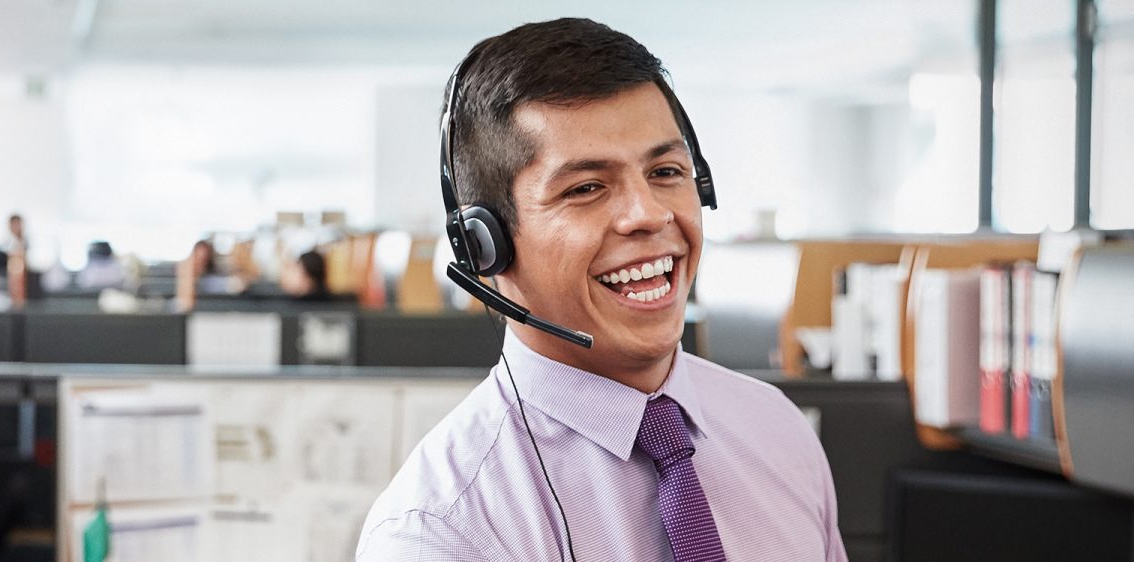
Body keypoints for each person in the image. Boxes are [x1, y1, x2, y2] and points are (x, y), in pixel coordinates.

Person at [357, 19, 845, 561]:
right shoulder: (444, 530)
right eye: (586, 188)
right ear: (486, 246)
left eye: (665, 171)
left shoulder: (777, 426)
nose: (649, 214)